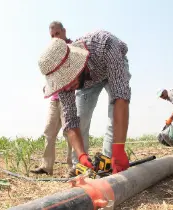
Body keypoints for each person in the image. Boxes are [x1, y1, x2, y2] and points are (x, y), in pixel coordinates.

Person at [38, 30, 132, 175]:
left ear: (76, 66)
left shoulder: (104, 45)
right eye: (63, 84)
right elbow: (70, 121)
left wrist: (119, 148)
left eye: (68, 80)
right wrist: (82, 155)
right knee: (81, 119)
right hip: (87, 81)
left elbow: (121, 98)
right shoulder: (64, 83)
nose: (67, 88)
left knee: (115, 115)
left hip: (110, 65)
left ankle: (110, 161)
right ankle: (82, 165)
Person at [30, 22, 73, 176]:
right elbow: (51, 72)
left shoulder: (73, 49)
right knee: (49, 131)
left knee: (70, 132)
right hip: (54, 97)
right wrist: (48, 85)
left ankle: (72, 168)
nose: (55, 37)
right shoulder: (52, 52)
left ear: (64, 31)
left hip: (69, 96)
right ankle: (46, 167)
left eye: (57, 34)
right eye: (52, 35)